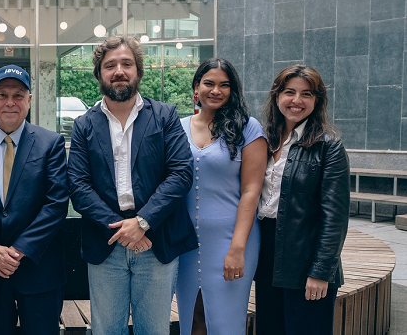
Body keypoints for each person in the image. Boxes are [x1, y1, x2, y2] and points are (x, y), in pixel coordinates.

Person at [67, 36, 197, 334]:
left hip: (157, 240)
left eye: (127, 63)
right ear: (99, 74)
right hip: (106, 242)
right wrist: (124, 229)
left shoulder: (164, 116)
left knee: (153, 329)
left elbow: (180, 174)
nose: (119, 71)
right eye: (110, 65)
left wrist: (142, 222)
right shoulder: (84, 125)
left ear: (138, 70)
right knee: (107, 329)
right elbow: (78, 185)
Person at [0, 64, 69, 334]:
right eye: (2, 94)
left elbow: (56, 204)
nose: (10, 102)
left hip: (38, 269)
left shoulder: (50, 143)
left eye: (18, 95)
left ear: (29, 100)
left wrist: (18, 251)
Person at [254, 65, 350, 335]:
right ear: (276, 96)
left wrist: (321, 271)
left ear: (317, 100)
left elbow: (335, 218)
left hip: (305, 255)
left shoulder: (329, 146)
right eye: (289, 92)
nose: (296, 101)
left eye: (306, 94)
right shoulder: (264, 139)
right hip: (267, 253)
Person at [174, 58, 267, 334]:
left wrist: (237, 248)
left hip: (232, 240)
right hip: (185, 243)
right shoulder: (176, 127)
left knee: (226, 322)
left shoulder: (248, 129)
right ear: (196, 87)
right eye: (209, 83)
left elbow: (252, 191)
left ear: (233, 90)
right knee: (192, 319)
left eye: (224, 85)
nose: (216, 90)